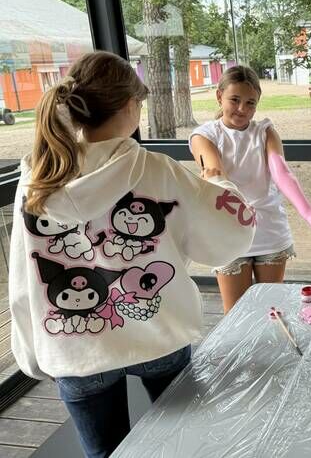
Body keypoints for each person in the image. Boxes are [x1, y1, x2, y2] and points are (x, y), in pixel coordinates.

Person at [9, 51, 256, 458]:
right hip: (159, 334)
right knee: (182, 445)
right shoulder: (155, 169)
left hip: (75, 347)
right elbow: (231, 230)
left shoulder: (38, 176)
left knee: (104, 453)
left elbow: (24, 277)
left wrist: (33, 352)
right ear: (128, 105)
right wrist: (220, 182)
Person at [190, 66, 311, 313]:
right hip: (228, 232)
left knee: (273, 311)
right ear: (219, 96)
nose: (242, 109)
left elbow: (281, 172)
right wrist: (238, 206)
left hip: (269, 231)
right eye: (234, 100)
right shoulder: (204, 135)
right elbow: (215, 172)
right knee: (236, 315)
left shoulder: (265, 131)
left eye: (250, 103)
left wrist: (309, 213)